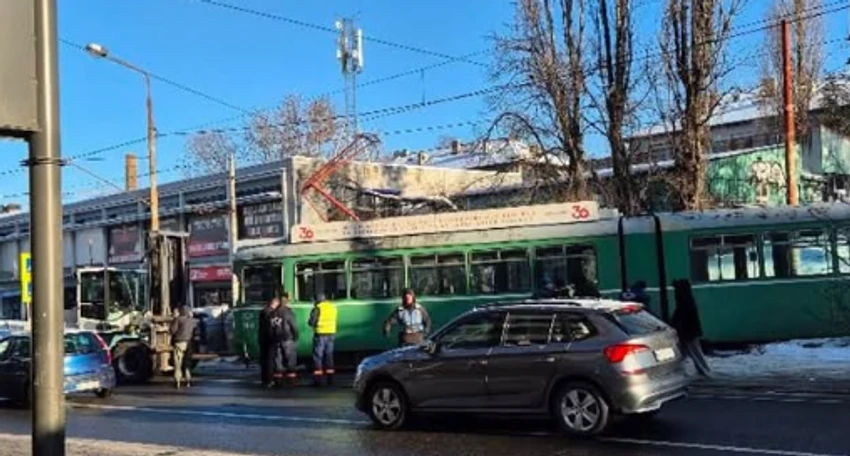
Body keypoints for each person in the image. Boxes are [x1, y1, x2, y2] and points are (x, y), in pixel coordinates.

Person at [671, 279, 711, 377]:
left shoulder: (683, 301)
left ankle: (702, 370)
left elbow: (680, 316)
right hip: (689, 331)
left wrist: (674, 324)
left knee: (689, 352)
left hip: (687, 331)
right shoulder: (688, 300)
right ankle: (702, 370)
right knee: (690, 352)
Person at [270, 293, 300, 386]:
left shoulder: (273, 313)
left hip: (277, 339)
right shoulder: (288, 312)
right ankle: (291, 381)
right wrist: (296, 337)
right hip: (287, 339)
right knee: (290, 360)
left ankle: (278, 381)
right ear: (287, 303)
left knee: (278, 361)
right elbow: (294, 326)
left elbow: (272, 326)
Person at [308, 293, 337, 387]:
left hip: (320, 334)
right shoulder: (332, 307)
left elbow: (311, 322)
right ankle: (331, 379)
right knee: (329, 356)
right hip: (331, 333)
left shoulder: (318, 308)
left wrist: (313, 324)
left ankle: (318, 380)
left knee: (318, 356)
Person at [170, 306, 197, 389]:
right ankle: (188, 381)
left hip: (179, 343)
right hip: (189, 343)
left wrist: (174, 319)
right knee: (187, 364)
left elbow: (172, 330)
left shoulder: (178, 320)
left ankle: (177, 382)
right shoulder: (193, 321)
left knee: (178, 364)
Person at [257, 298, 278, 387]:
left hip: (262, 338)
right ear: (275, 304)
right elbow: (273, 326)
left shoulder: (263, 311)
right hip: (270, 339)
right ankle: (269, 380)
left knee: (264, 360)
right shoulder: (272, 313)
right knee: (270, 360)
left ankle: (264, 379)